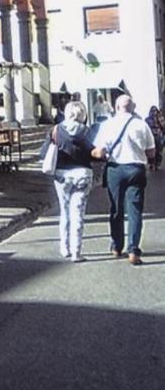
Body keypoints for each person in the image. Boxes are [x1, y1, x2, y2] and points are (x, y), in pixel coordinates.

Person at [92, 94, 155, 265]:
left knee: (116, 208)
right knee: (135, 209)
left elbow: (99, 150)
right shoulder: (141, 125)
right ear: (133, 107)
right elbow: (151, 152)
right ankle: (133, 249)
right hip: (136, 168)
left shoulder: (107, 125)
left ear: (116, 106)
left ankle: (116, 246)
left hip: (115, 168)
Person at [40, 100, 97, 262]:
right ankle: (76, 252)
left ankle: (64, 247)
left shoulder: (56, 130)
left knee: (64, 211)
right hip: (83, 174)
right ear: (82, 115)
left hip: (61, 175)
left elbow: (43, 153)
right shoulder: (88, 132)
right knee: (78, 213)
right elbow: (95, 153)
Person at [145, 106, 163, 172]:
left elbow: (163, 127)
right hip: (151, 136)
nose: (154, 112)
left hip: (158, 136)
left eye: (155, 111)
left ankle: (158, 164)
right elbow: (146, 128)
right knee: (151, 150)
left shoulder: (160, 118)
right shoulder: (147, 119)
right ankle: (151, 164)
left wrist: (159, 120)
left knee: (159, 150)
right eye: (153, 111)